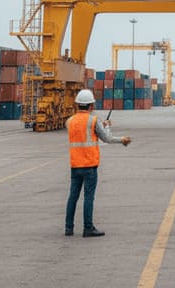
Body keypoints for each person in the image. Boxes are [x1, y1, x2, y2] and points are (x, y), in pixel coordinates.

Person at [65, 89, 131, 238]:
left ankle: (68, 228)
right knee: (89, 197)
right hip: (89, 165)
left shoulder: (69, 121)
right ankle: (88, 228)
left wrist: (102, 124)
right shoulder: (93, 120)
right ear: (91, 105)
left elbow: (83, 131)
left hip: (75, 165)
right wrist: (110, 129)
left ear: (78, 105)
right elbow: (106, 138)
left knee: (72, 196)